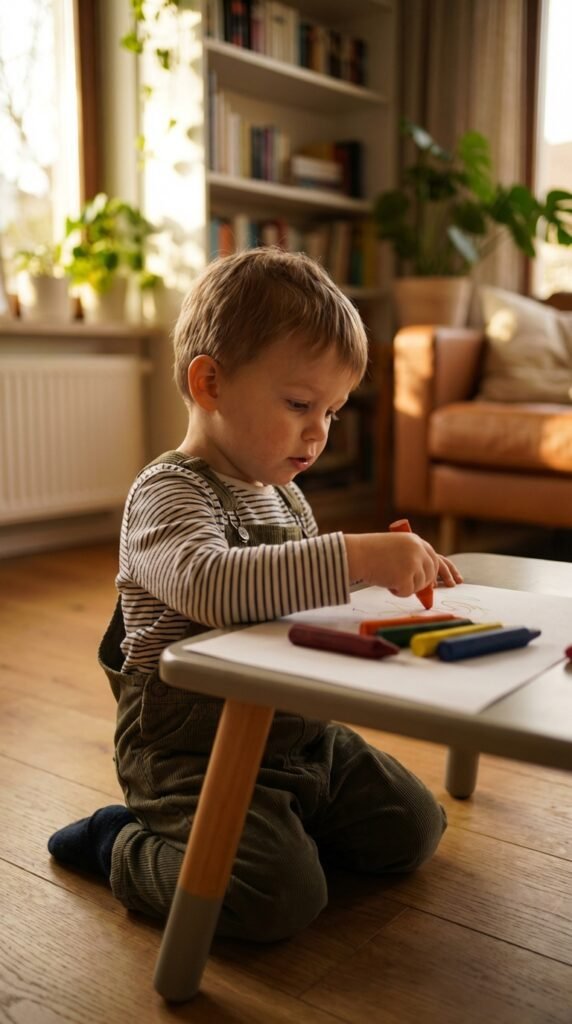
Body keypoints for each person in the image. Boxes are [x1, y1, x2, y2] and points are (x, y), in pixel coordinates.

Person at [48, 247, 462, 941]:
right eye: (300, 404)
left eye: (332, 411)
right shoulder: (166, 494)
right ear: (209, 383)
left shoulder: (288, 500)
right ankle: (122, 843)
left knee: (414, 827)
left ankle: (282, 825)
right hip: (190, 749)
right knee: (274, 898)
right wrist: (356, 555)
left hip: (296, 733)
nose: (319, 432)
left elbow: (305, 599)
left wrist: (386, 598)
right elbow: (214, 586)